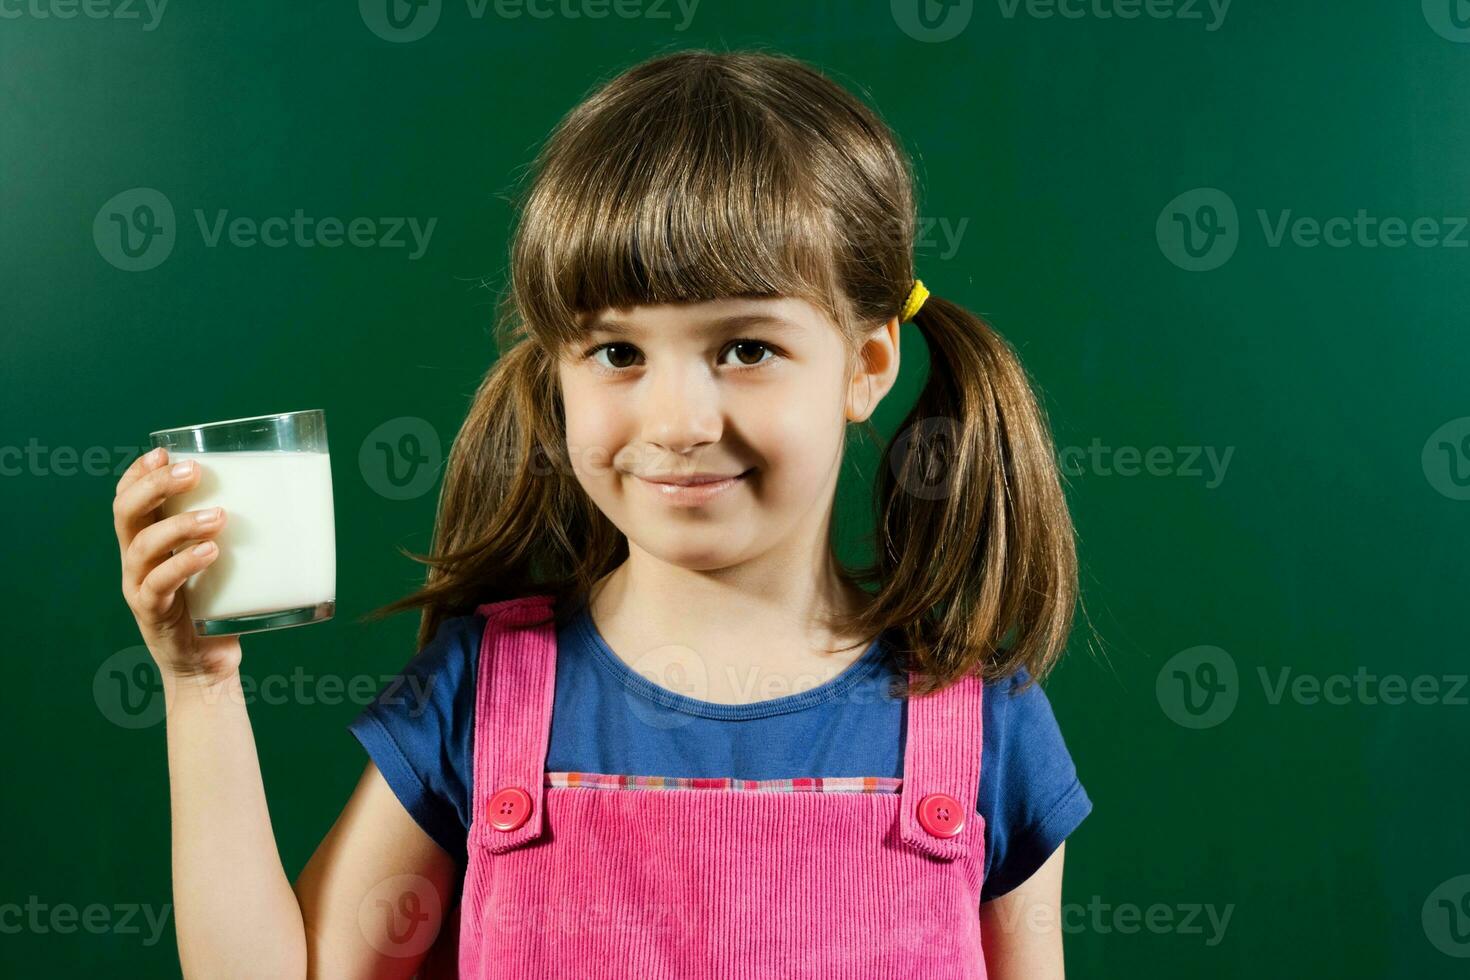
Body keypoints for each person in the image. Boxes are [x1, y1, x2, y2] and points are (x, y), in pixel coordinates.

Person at [113, 48, 1091, 979]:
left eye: (746, 347)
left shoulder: (985, 728)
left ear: (867, 364)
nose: (676, 421)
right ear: (559, 370)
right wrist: (197, 685)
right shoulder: (480, 693)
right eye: (618, 352)